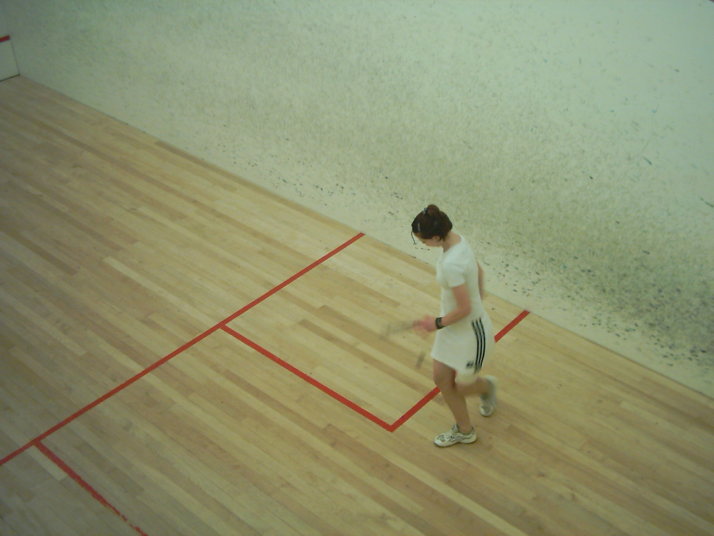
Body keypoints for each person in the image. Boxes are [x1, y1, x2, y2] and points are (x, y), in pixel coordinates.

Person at [411, 204, 497, 447]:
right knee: (441, 378)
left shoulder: (452, 264)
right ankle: (465, 430)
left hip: (472, 334)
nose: (423, 243)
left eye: (423, 240)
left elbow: (465, 309)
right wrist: (477, 296)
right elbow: (479, 270)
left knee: (461, 387)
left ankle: (487, 387)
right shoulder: (458, 240)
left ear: (436, 237)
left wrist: (435, 323)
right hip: (452, 326)